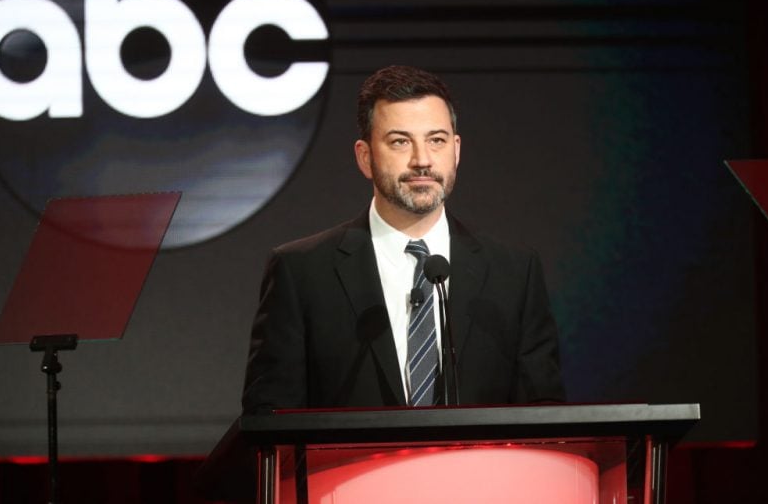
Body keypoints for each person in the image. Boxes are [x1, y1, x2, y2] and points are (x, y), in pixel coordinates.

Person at [241, 65, 565, 413]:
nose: (422, 160)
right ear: (365, 157)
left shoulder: (514, 273)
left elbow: (542, 414)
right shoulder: (302, 272)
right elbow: (270, 419)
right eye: (400, 142)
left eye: (436, 140)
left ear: (456, 150)